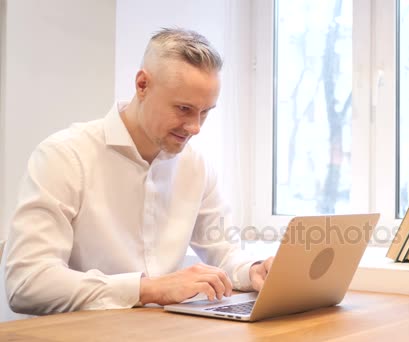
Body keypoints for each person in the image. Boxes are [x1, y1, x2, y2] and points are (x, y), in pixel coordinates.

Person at [4, 28, 273, 315]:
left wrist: (254, 271)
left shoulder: (196, 166)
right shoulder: (64, 157)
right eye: (184, 108)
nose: (195, 127)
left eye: (205, 112)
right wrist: (149, 289)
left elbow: (224, 253)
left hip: (162, 331)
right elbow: (27, 283)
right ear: (142, 85)